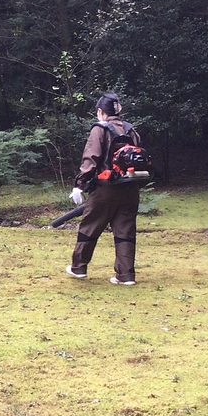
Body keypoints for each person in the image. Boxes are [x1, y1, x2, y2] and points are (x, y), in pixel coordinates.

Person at [66, 93, 141, 285]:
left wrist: (79, 185)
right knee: (125, 231)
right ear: (119, 110)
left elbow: (91, 159)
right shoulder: (131, 130)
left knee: (89, 226)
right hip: (131, 187)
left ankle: (78, 267)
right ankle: (126, 276)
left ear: (100, 111)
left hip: (105, 188)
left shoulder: (100, 129)